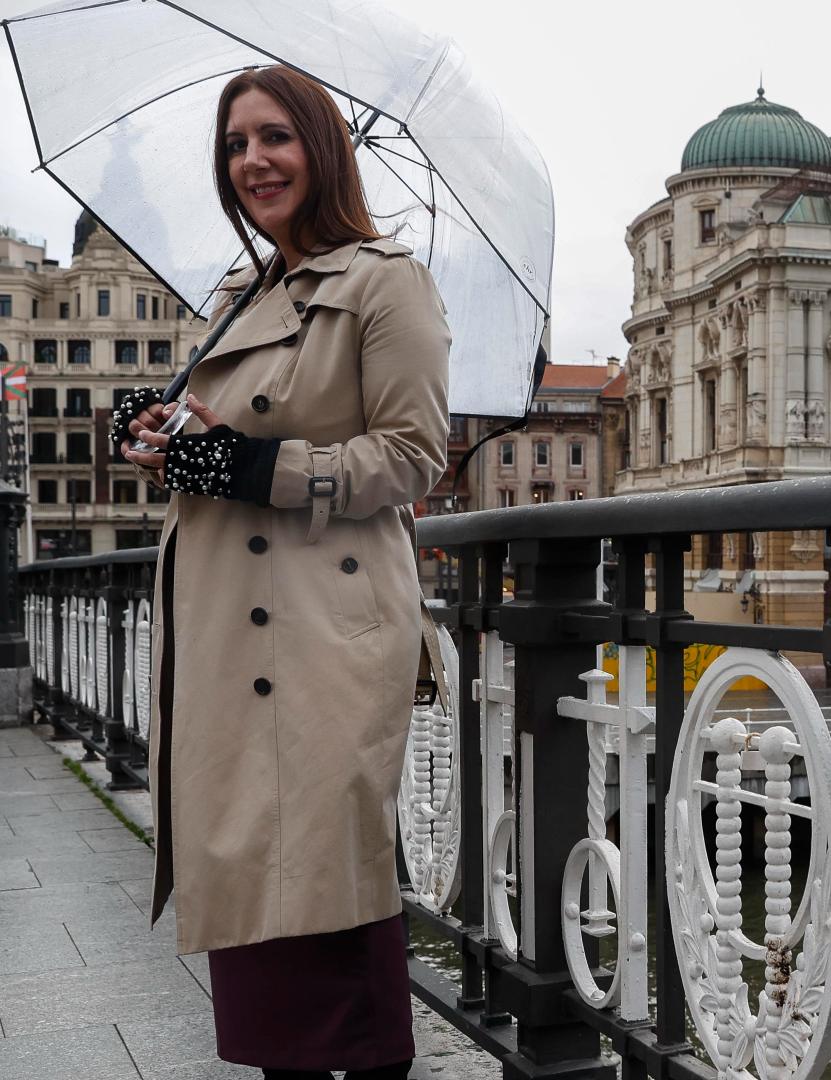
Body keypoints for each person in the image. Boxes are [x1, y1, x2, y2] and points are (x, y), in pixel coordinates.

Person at [112, 65, 449, 1080]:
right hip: (228, 631)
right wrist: (164, 432)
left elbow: (411, 454)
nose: (252, 161)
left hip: (319, 635)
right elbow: (224, 431)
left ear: (321, 149)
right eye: (235, 144)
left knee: (325, 890)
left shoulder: (387, 281)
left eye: (274, 138)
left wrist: (253, 463)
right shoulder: (237, 291)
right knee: (260, 902)